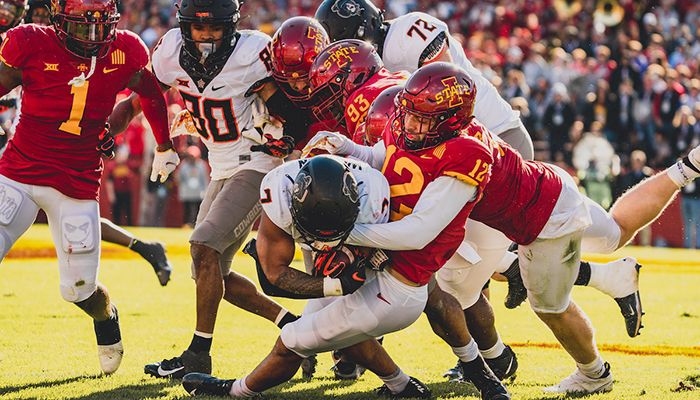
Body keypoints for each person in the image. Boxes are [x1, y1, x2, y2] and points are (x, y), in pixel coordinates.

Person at [308, 62, 700, 393]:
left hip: (545, 221)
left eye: (422, 117)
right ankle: (688, 168)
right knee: (613, 232)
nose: (409, 122)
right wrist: (349, 148)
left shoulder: (464, 154)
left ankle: (594, 374)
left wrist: (346, 233)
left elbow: (419, 232)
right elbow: (387, 154)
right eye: (408, 112)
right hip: (549, 185)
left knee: (548, 305)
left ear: (450, 119)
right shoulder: (428, 128)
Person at [181, 155, 509, 399]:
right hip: (359, 267)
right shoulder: (280, 191)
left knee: (294, 339)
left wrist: (357, 259)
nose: (323, 238)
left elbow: (393, 245)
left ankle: (237, 392)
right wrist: (336, 283)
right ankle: (405, 387)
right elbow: (273, 277)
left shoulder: (373, 195)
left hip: (385, 266)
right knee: (341, 329)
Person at [109, 0, 311, 379]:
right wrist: (103, 134)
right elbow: (139, 101)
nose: (207, 35)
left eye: (216, 27)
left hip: (257, 162)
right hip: (220, 166)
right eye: (199, 28)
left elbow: (290, 107)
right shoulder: (169, 52)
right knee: (211, 273)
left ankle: (199, 354)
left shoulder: (252, 54)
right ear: (185, 26)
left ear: (231, 26)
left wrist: (288, 137)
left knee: (204, 249)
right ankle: (297, 330)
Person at [0, 0, 179, 375]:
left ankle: (106, 316)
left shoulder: (124, 49)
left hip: (77, 181)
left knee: (79, 289)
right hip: (19, 172)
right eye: (82, 26)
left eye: (100, 25)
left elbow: (147, 92)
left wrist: (163, 145)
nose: (93, 36)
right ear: (59, 20)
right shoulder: (32, 43)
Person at [314, 0, 533, 160]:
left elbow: (450, 90)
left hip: (497, 135)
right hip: (457, 150)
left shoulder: (407, 32)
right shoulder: (371, 64)